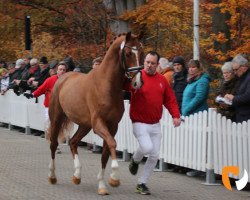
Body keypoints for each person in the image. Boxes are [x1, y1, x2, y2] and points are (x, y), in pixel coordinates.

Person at [124, 51, 181, 195]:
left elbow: (170, 99)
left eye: (152, 63)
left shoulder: (162, 80)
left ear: (157, 65)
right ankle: (136, 160)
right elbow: (125, 86)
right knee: (147, 147)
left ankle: (141, 183)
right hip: (139, 122)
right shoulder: (137, 76)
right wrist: (125, 78)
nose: (149, 65)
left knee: (154, 155)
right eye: (147, 62)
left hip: (155, 124)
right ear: (144, 62)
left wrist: (175, 115)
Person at [23, 63, 67, 150]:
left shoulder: (68, 81)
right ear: (57, 71)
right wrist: (32, 95)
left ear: (66, 71)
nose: (62, 71)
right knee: (49, 124)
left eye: (64, 70)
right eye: (60, 69)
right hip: (50, 107)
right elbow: (41, 89)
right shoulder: (50, 80)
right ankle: (53, 142)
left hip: (62, 108)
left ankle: (55, 143)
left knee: (58, 126)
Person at [181, 59, 211, 177]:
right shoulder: (191, 81)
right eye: (189, 67)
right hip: (190, 116)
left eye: (193, 67)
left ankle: (201, 169)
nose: (191, 69)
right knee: (193, 143)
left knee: (200, 143)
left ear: (199, 68)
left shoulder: (202, 81)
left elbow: (199, 98)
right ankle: (194, 166)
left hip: (198, 115)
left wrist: (186, 110)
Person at [224, 54, 250, 123]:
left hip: (247, 117)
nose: (234, 73)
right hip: (241, 115)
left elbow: (248, 96)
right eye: (233, 70)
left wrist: (233, 98)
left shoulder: (248, 77)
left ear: (244, 67)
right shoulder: (241, 78)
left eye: (236, 70)